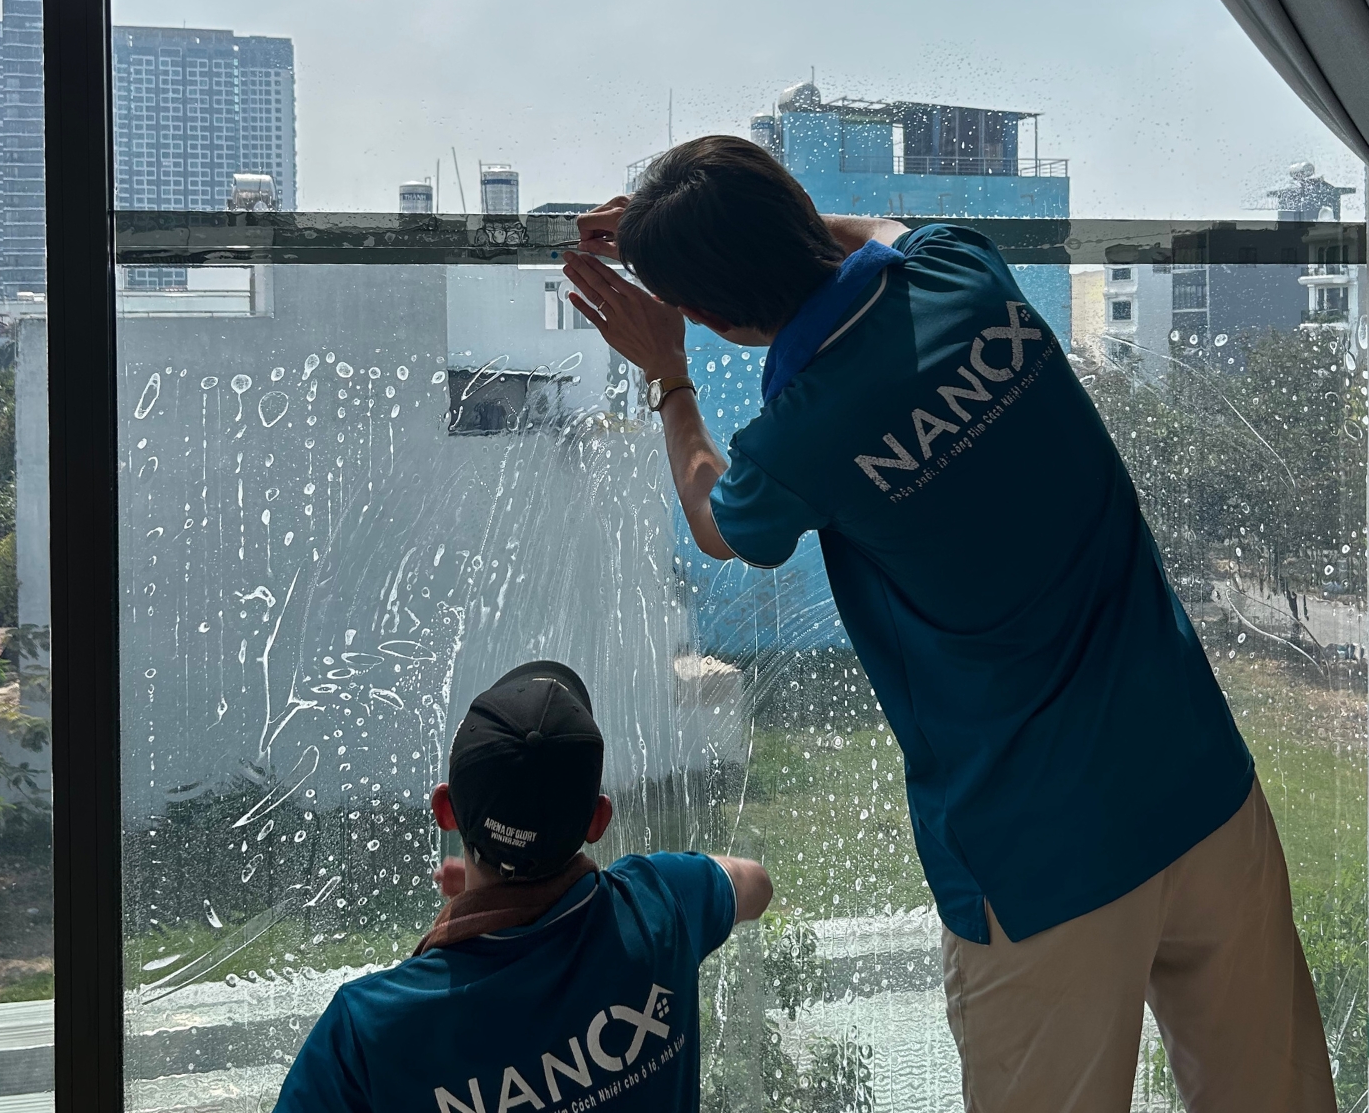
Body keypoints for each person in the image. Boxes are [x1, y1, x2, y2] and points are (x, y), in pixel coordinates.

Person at [561, 135, 1336, 1113]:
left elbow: (718, 521)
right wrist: (725, 223)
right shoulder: (964, 274)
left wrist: (669, 374)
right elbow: (880, 234)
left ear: (710, 317)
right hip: (1199, 781)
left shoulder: (802, 436)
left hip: (1034, 861)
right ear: (796, 210)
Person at [275, 659, 772, 1113]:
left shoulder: (365, 1033)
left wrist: (490, 904)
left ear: (446, 810)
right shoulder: (661, 903)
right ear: (597, 821)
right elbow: (757, 884)